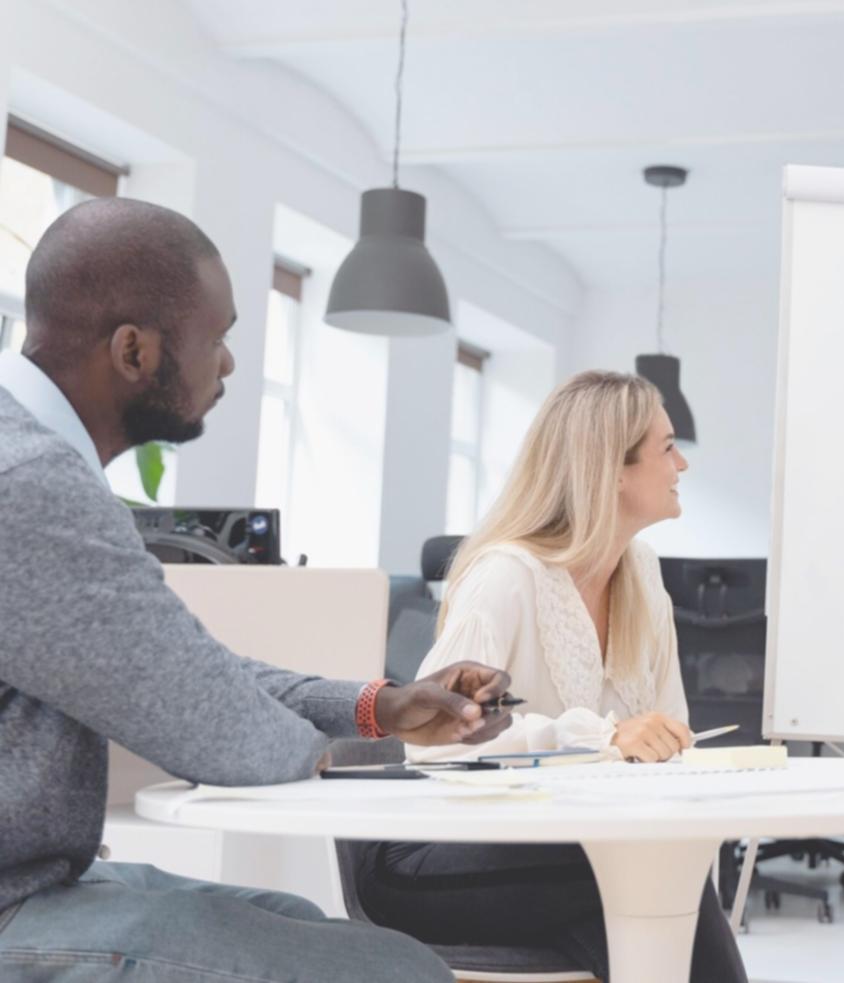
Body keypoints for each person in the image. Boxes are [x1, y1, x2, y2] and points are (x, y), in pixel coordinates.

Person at [0, 197, 517, 982]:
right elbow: (210, 724)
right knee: (393, 973)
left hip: (34, 884)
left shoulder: (30, 460)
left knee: (302, 922)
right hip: (15, 904)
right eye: (220, 337)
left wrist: (380, 706)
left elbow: (187, 670)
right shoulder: (29, 482)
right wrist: (359, 758)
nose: (231, 364)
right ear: (134, 351)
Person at [357, 371, 748, 983]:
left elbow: (672, 735)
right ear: (612, 470)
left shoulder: (644, 576)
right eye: (667, 446)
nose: (682, 464)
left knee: (649, 887)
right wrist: (603, 739)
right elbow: (430, 738)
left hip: (563, 853)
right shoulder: (507, 576)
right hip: (428, 854)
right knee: (650, 877)